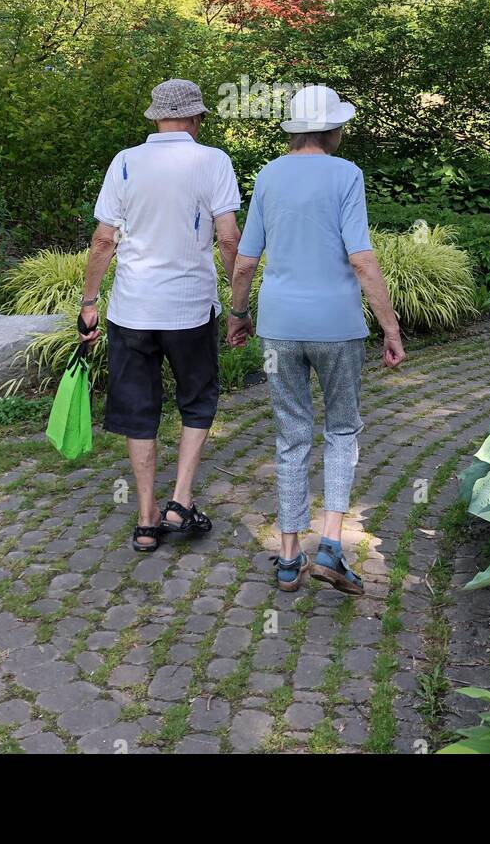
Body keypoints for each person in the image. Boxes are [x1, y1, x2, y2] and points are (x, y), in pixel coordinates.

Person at [228, 85, 405, 595]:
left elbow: (244, 260)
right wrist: (389, 326)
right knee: (342, 430)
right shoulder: (346, 175)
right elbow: (361, 258)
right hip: (337, 327)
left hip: (280, 328)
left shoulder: (267, 175)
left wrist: (239, 314)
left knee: (291, 435)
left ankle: (287, 557)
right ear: (333, 129)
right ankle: (329, 544)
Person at [78, 78, 241, 553]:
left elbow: (104, 239)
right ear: (195, 119)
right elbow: (229, 238)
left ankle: (147, 519)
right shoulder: (212, 161)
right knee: (196, 400)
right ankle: (180, 499)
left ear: (155, 118)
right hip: (190, 310)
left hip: (132, 310)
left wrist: (89, 303)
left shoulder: (125, 162)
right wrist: (238, 306)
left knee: (137, 409)